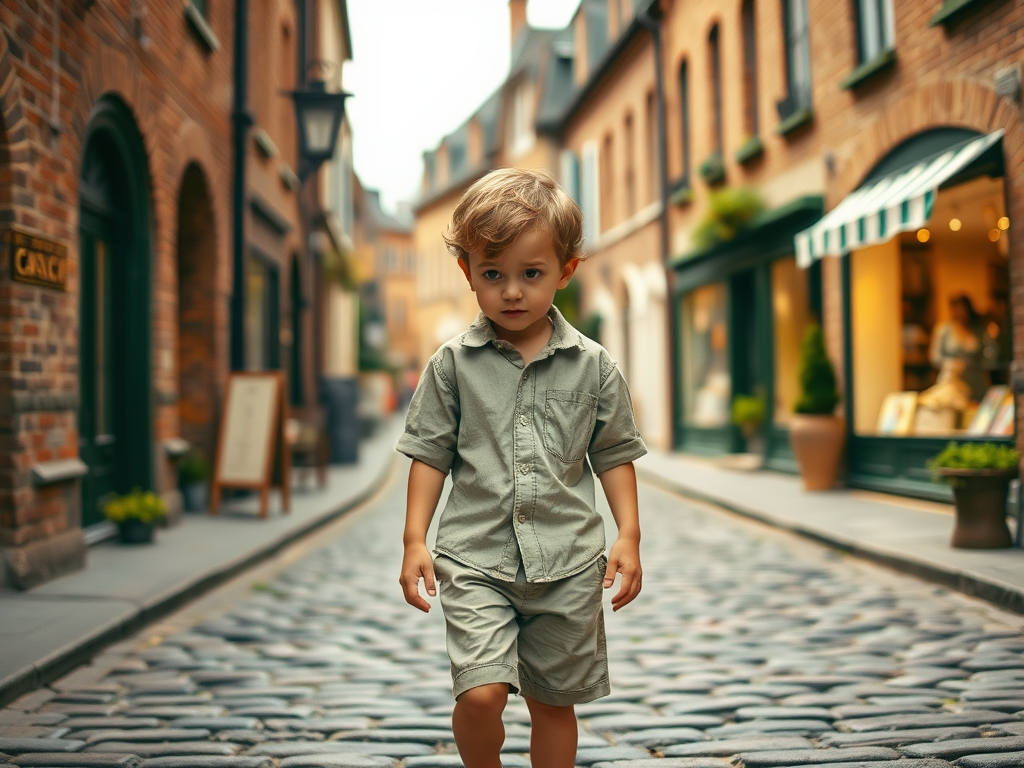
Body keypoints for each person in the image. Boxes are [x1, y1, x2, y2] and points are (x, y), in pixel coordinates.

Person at [396, 168, 647, 768]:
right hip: (474, 556)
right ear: (469, 275)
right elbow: (429, 452)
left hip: (567, 562)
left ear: (565, 270)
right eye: (493, 275)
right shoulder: (452, 365)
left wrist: (630, 535)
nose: (512, 291)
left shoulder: (595, 367)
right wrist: (413, 539)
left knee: (552, 703)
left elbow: (612, 454)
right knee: (481, 694)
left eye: (530, 274)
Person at [929, 294, 998, 402]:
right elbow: (935, 357)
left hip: (976, 382)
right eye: (956, 308)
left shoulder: (978, 331)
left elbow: (988, 357)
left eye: (962, 308)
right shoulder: (944, 331)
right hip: (953, 381)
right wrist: (952, 363)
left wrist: (992, 339)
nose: (959, 312)